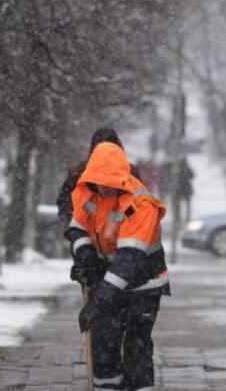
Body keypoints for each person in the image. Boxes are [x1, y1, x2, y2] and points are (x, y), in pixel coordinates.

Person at [65, 142, 169, 391]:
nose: (102, 187)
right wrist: (85, 256)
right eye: (98, 181)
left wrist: (99, 301)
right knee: (103, 349)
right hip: (108, 279)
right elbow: (77, 228)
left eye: (107, 182)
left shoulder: (140, 203)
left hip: (144, 284)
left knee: (136, 350)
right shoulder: (88, 194)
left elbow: (129, 259)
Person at [56, 127, 141, 228]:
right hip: (102, 237)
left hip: (116, 237)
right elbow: (65, 204)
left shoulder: (79, 172)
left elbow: (139, 208)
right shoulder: (130, 173)